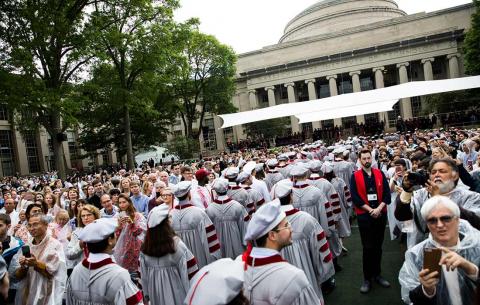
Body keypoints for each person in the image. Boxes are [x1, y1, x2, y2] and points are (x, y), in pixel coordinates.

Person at [399, 196, 480, 305]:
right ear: (427, 225)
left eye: (445, 218)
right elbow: (410, 297)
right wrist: (427, 290)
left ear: (457, 220)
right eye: (432, 220)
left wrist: (471, 269)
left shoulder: (476, 246)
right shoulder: (416, 255)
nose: (440, 225)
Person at [242, 199, 321, 305]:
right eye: (286, 225)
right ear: (272, 235)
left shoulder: (241, 268)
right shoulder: (294, 277)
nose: (291, 229)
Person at [395, 158, 480, 248]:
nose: (437, 175)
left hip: (459, 253)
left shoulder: (471, 197)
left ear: (455, 176)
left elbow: (474, 223)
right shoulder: (420, 194)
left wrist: (439, 199)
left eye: (442, 171)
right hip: (423, 250)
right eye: (433, 172)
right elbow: (402, 217)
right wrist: (407, 191)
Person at [275, 179, 334, 302]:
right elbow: (320, 252)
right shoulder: (307, 220)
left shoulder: (267, 224)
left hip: (279, 283)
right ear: (291, 196)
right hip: (307, 276)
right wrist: (322, 275)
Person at [66, 218, 143, 305]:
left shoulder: (76, 271)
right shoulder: (119, 275)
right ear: (110, 240)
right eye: (114, 234)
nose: (116, 236)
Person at [349, 149, 391, 293]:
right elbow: (355, 197)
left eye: (369, 158)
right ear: (360, 160)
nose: (367, 160)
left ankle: (377, 275)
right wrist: (370, 210)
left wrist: (379, 209)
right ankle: (367, 278)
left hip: (380, 214)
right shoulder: (354, 176)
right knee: (368, 248)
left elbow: (387, 194)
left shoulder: (379, 173)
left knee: (378, 246)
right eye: (364, 158)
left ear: (371, 159)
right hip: (365, 216)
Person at [140, 205, 198, 305]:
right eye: (169, 218)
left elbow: (143, 277)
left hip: (155, 294)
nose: (171, 219)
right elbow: (189, 274)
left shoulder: (145, 249)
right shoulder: (177, 245)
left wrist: (146, 296)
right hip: (177, 294)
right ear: (165, 224)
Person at [13, 214, 67, 305]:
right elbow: (17, 275)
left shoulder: (55, 245)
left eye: (35, 224)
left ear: (46, 225)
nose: (32, 228)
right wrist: (23, 266)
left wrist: (36, 264)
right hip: (27, 290)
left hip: (47, 291)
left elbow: (55, 274)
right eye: (29, 225)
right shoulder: (27, 245)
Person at [170, 181, 221, 268]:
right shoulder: (199, 213)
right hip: (198, 256)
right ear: (189, 194)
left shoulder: (170, 215)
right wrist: (215, 257)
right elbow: (210, 238)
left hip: (178, 259)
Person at [206, 178, 249, 259]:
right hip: (237, 245)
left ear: (216, 191)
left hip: (218, 247)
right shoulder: (238, 206)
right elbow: (245, 228)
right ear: (227, 188)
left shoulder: (209, 209)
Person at [113, 194, 146, 276]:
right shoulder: (116, 217)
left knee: (136, 273)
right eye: (120, 203)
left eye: (124, 202)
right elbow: (114, 236)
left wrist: (131, 223)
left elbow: (140, 232)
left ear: (129, 202)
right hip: (122, 248)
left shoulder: (138, 216)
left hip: (135, 247)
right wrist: (119, 226)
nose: (122, 205)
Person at [66, 204, 100, 275]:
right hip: (82, 271)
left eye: (89, 215)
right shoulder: (76, 233)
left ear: (95, 216)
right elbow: (69, 255)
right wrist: (80, 245)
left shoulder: (102, 230)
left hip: (99, 269)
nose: (86, 218)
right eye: (83, 216)